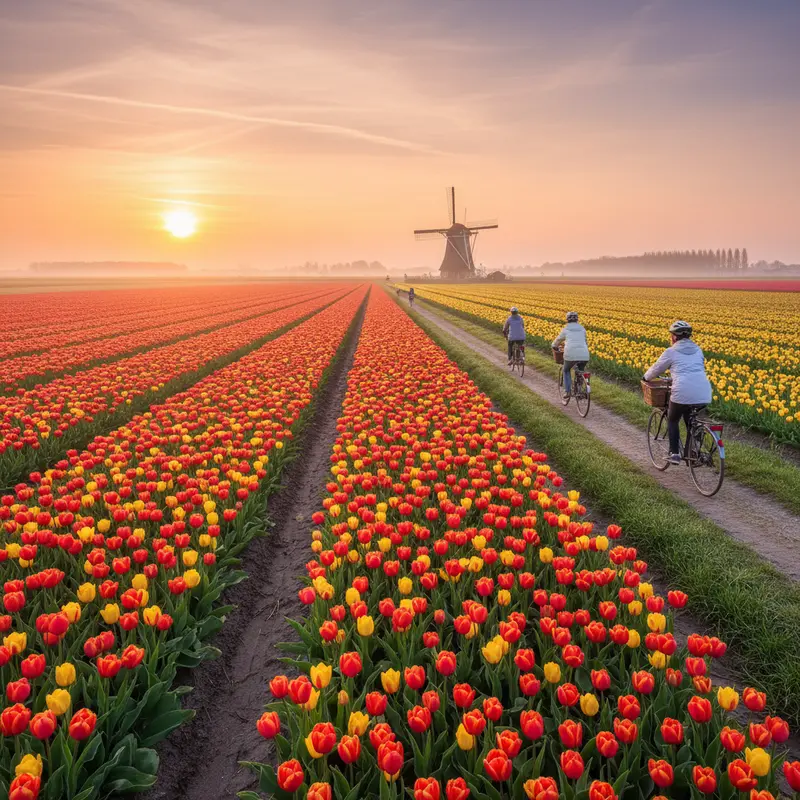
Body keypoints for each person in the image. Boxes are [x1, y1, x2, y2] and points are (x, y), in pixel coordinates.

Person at [644, 320, 713, 465]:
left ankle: (675, 453)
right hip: (704, 391)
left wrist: (646, 377)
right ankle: (693, 450)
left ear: (674, 337)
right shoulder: (698, 350)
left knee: (673, 419)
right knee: (692, 421)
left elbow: (657, 368)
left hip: (682, 391)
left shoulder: (671, 351)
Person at [551, 311, 590, 399]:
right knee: (580, 370)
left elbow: (558, 340)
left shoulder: (566, 329)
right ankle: (580, 389)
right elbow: (585, 342)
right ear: (577, 320)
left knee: (566, 370)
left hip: (570, 354)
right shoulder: (582, 328)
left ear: (567, 320)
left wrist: (554, 346)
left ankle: (567, 391)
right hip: (584, 354)